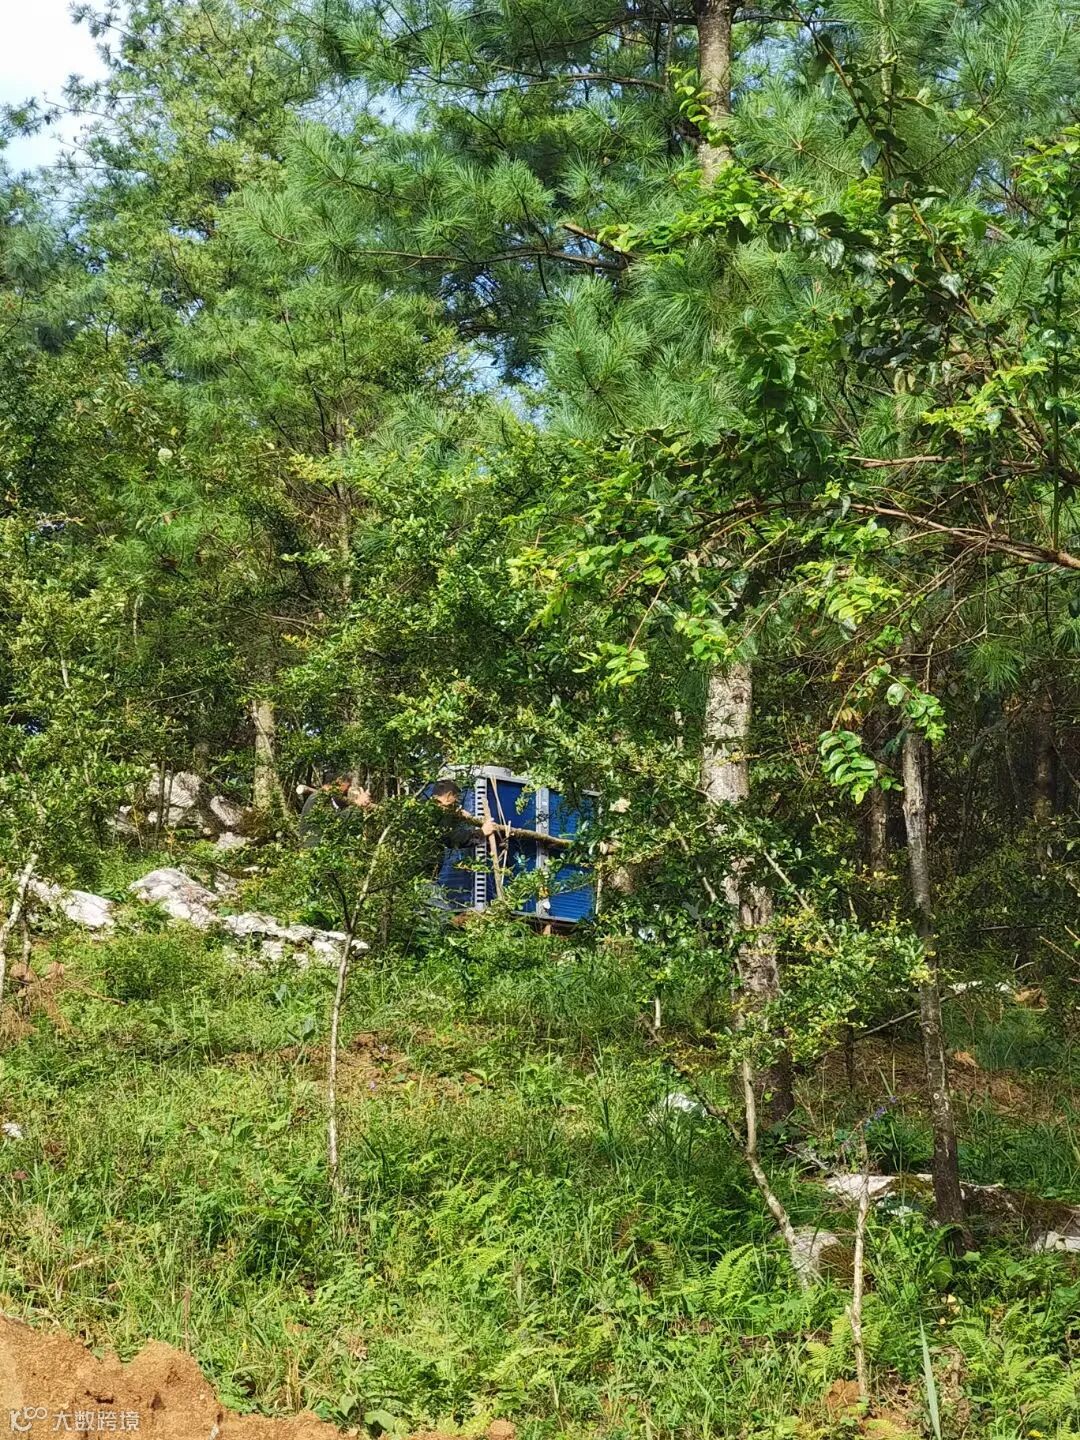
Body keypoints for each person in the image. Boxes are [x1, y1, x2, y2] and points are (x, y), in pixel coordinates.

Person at [298, 775, 373, 848]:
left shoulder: (326, 799)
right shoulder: (318, 799)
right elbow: (336, 823)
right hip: (315, 848)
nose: (346, 792)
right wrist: (358, 804)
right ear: (339, 782)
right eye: (347, 787)